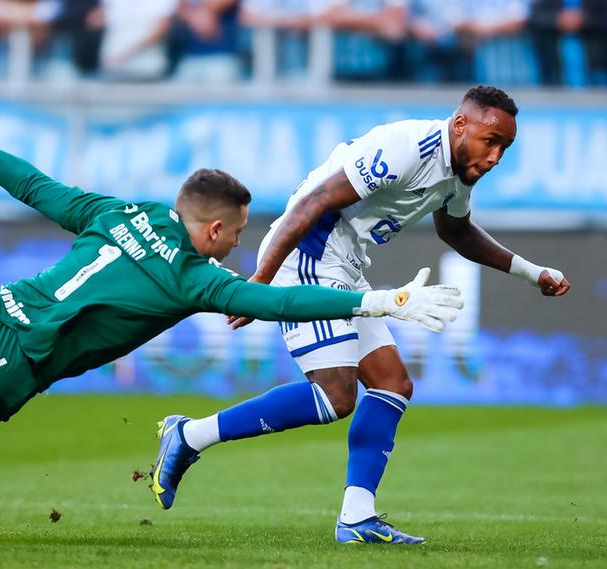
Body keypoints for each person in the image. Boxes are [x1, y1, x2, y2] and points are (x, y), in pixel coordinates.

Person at [0, 100, 463, 498]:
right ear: (210, 228)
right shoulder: (191, 276)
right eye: (234, 235)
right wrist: (379, 306)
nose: (236, 246)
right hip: (3, 366)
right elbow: (273, 306)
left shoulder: (121, 212)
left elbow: (37, 186)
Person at [149, 85, 571, 545]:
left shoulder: (458, 175)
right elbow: (314, 202)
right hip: (308, 253)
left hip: (344, 262)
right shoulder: (406, 148)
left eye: (504, 148)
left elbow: (457, 231)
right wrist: (262, 281)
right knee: (336, 394)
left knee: (392, 383)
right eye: (491, 141)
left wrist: (532, 273)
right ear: (460, 125)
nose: (494, 157)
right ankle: (190, 436)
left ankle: (356, 518)